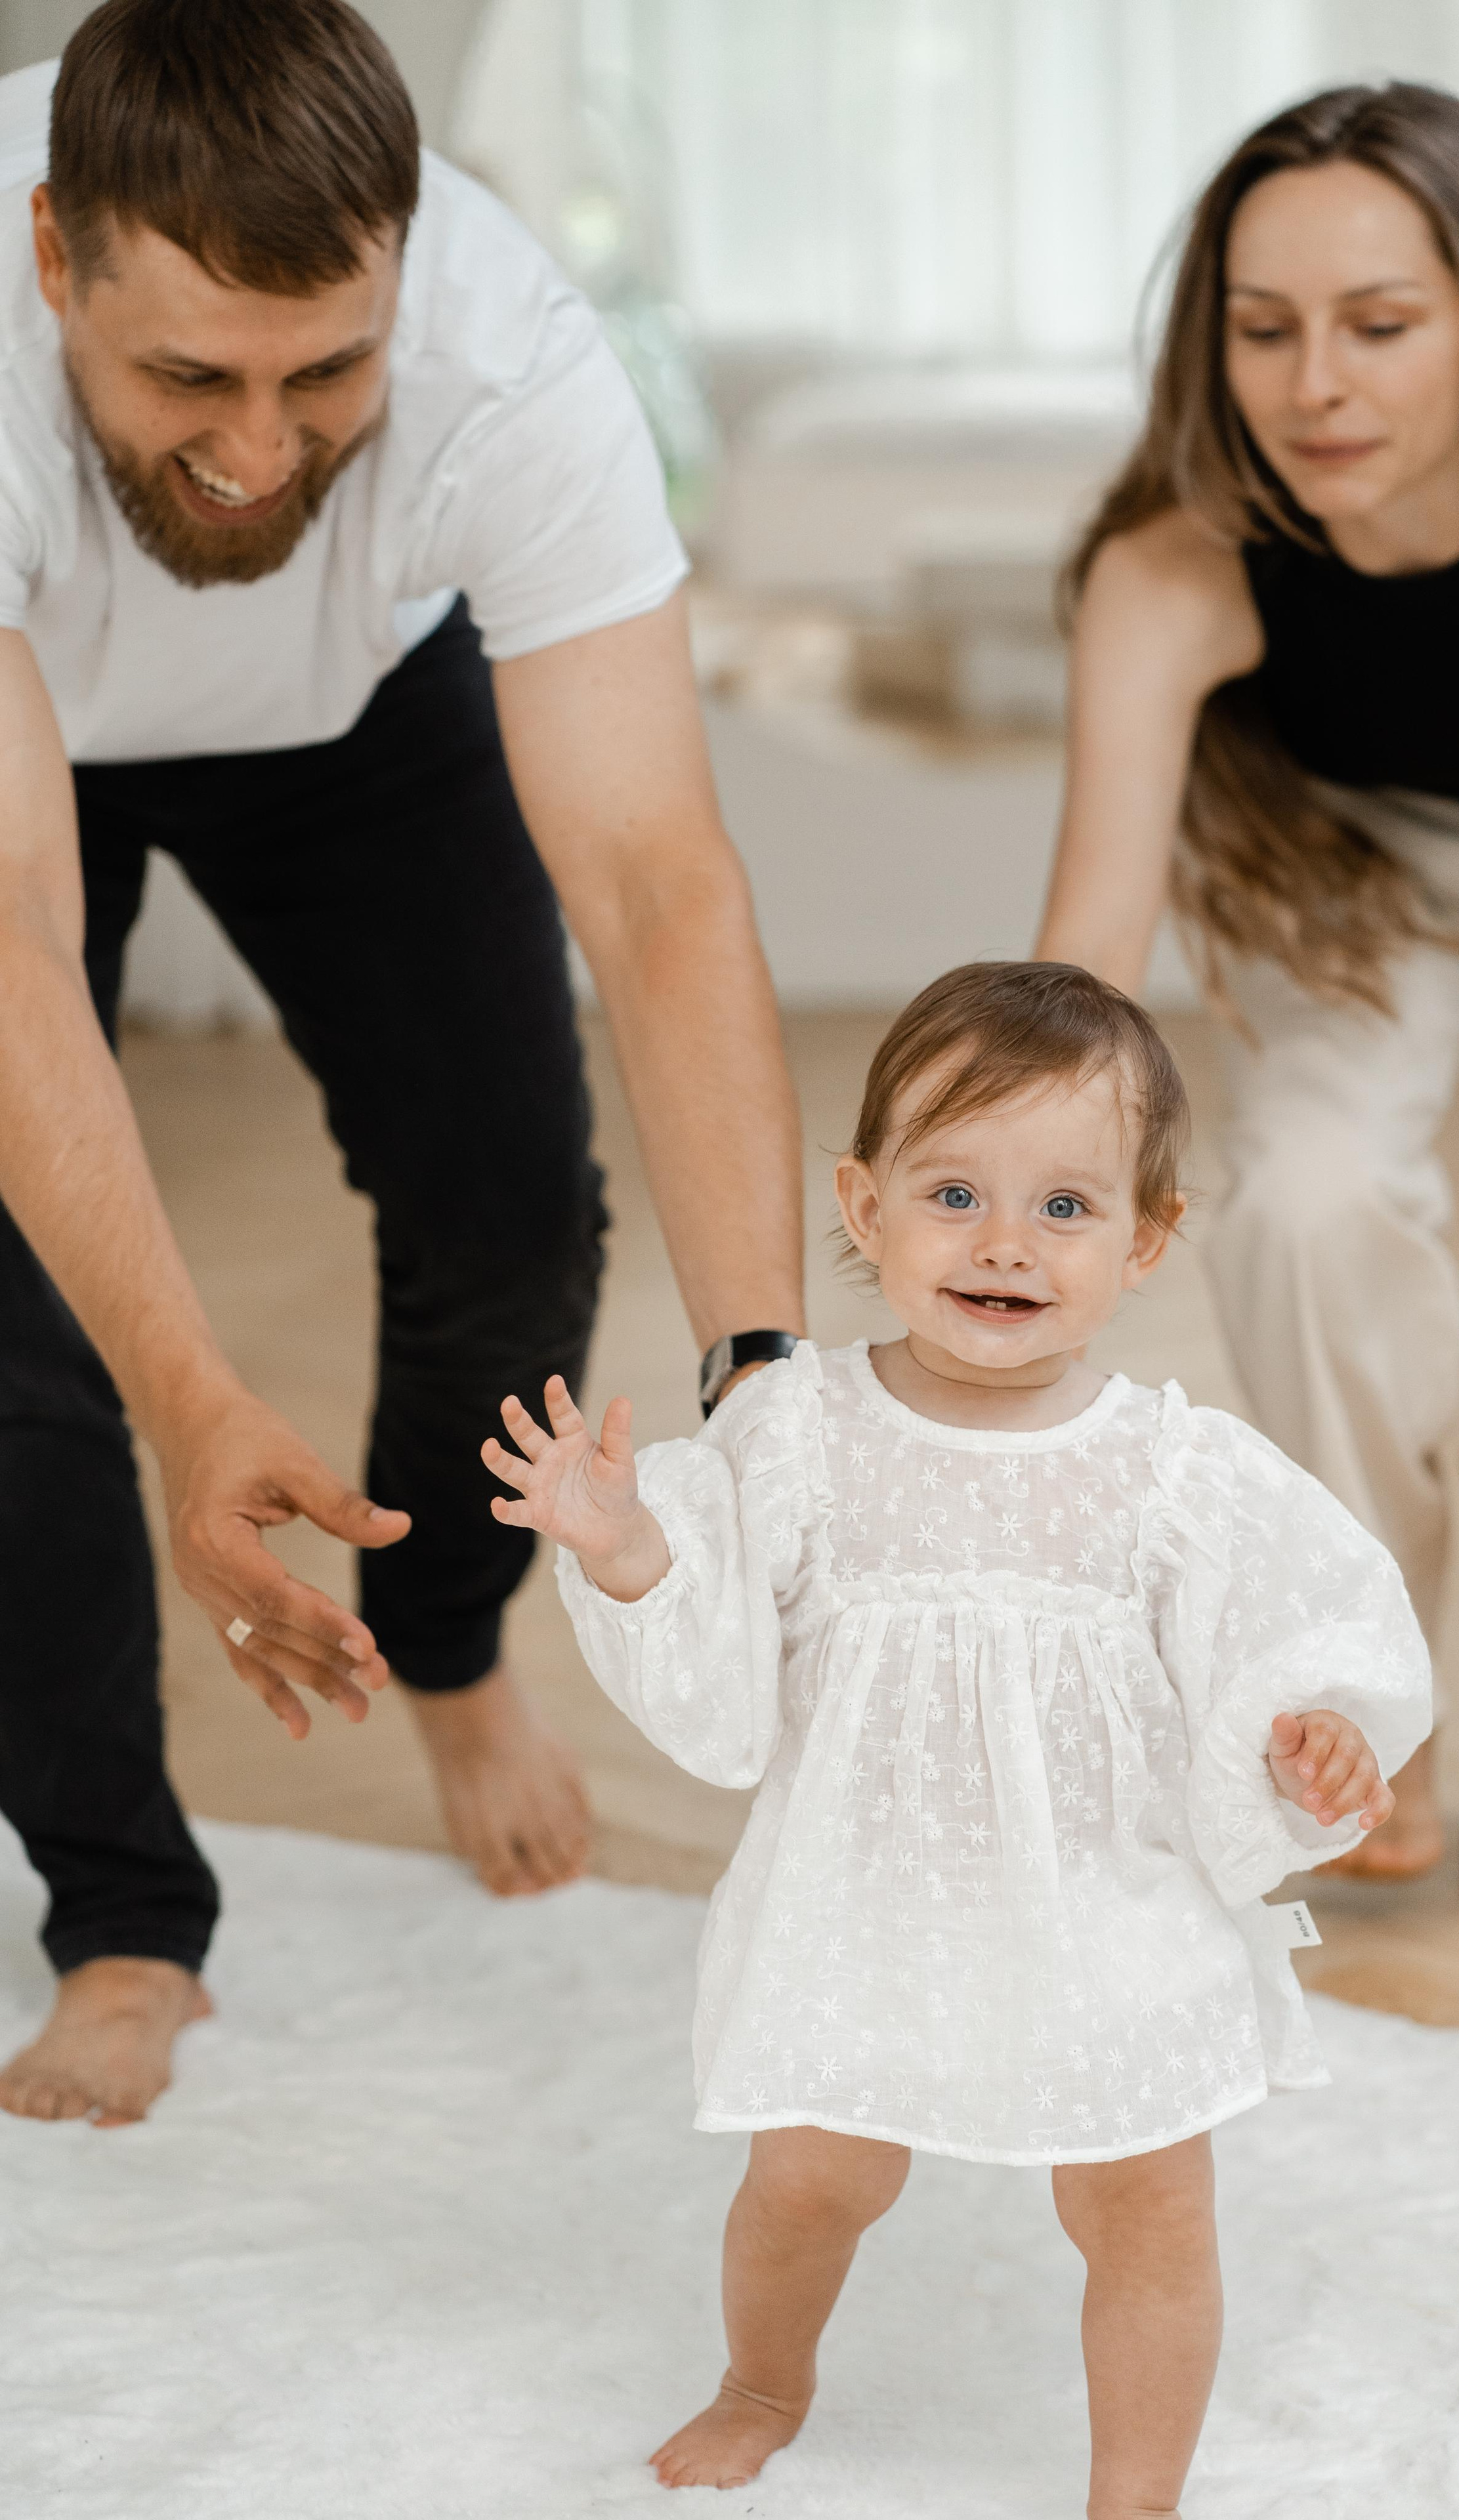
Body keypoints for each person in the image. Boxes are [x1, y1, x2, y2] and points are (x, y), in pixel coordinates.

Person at [0, 0, 805, 2129]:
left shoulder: (508, 347)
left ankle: (449, 1639)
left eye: (323, 373)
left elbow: (656, 884)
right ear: (57, 256)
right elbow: (12, 935)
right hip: (26, 743)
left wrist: (773, 1380)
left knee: (512, 1210)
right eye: (191, 377)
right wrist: (195, 1403)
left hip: (356, 711)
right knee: (24, 1330)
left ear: (403, 278)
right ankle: (125, 1920)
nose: (260, 449)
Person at [486, 961, 1431, 2511]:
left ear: (1145, 1238)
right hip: (864, 1900)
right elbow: (718, 1678)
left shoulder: (1179, 1473)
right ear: (861, 1210)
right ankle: (758, 2377)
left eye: (1066, 1207)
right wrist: (627, 1548)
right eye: (952, 1192)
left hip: (1109, 1909)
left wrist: (1316, 1737)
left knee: (1146, 2211)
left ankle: (1135, 2491)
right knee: (808, 2182)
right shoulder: (792, 1433)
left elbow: (1303, 1635)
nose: (1004, 1241)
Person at [1036, 81, 1459, 1906]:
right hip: (1361, 886)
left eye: (1380, 326)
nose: (1316, 382)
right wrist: (1006, 1234)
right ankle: (1368, 1707)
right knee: (1296, 1212)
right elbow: (1084, 953)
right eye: (1265, 329)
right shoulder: (1176, 564)